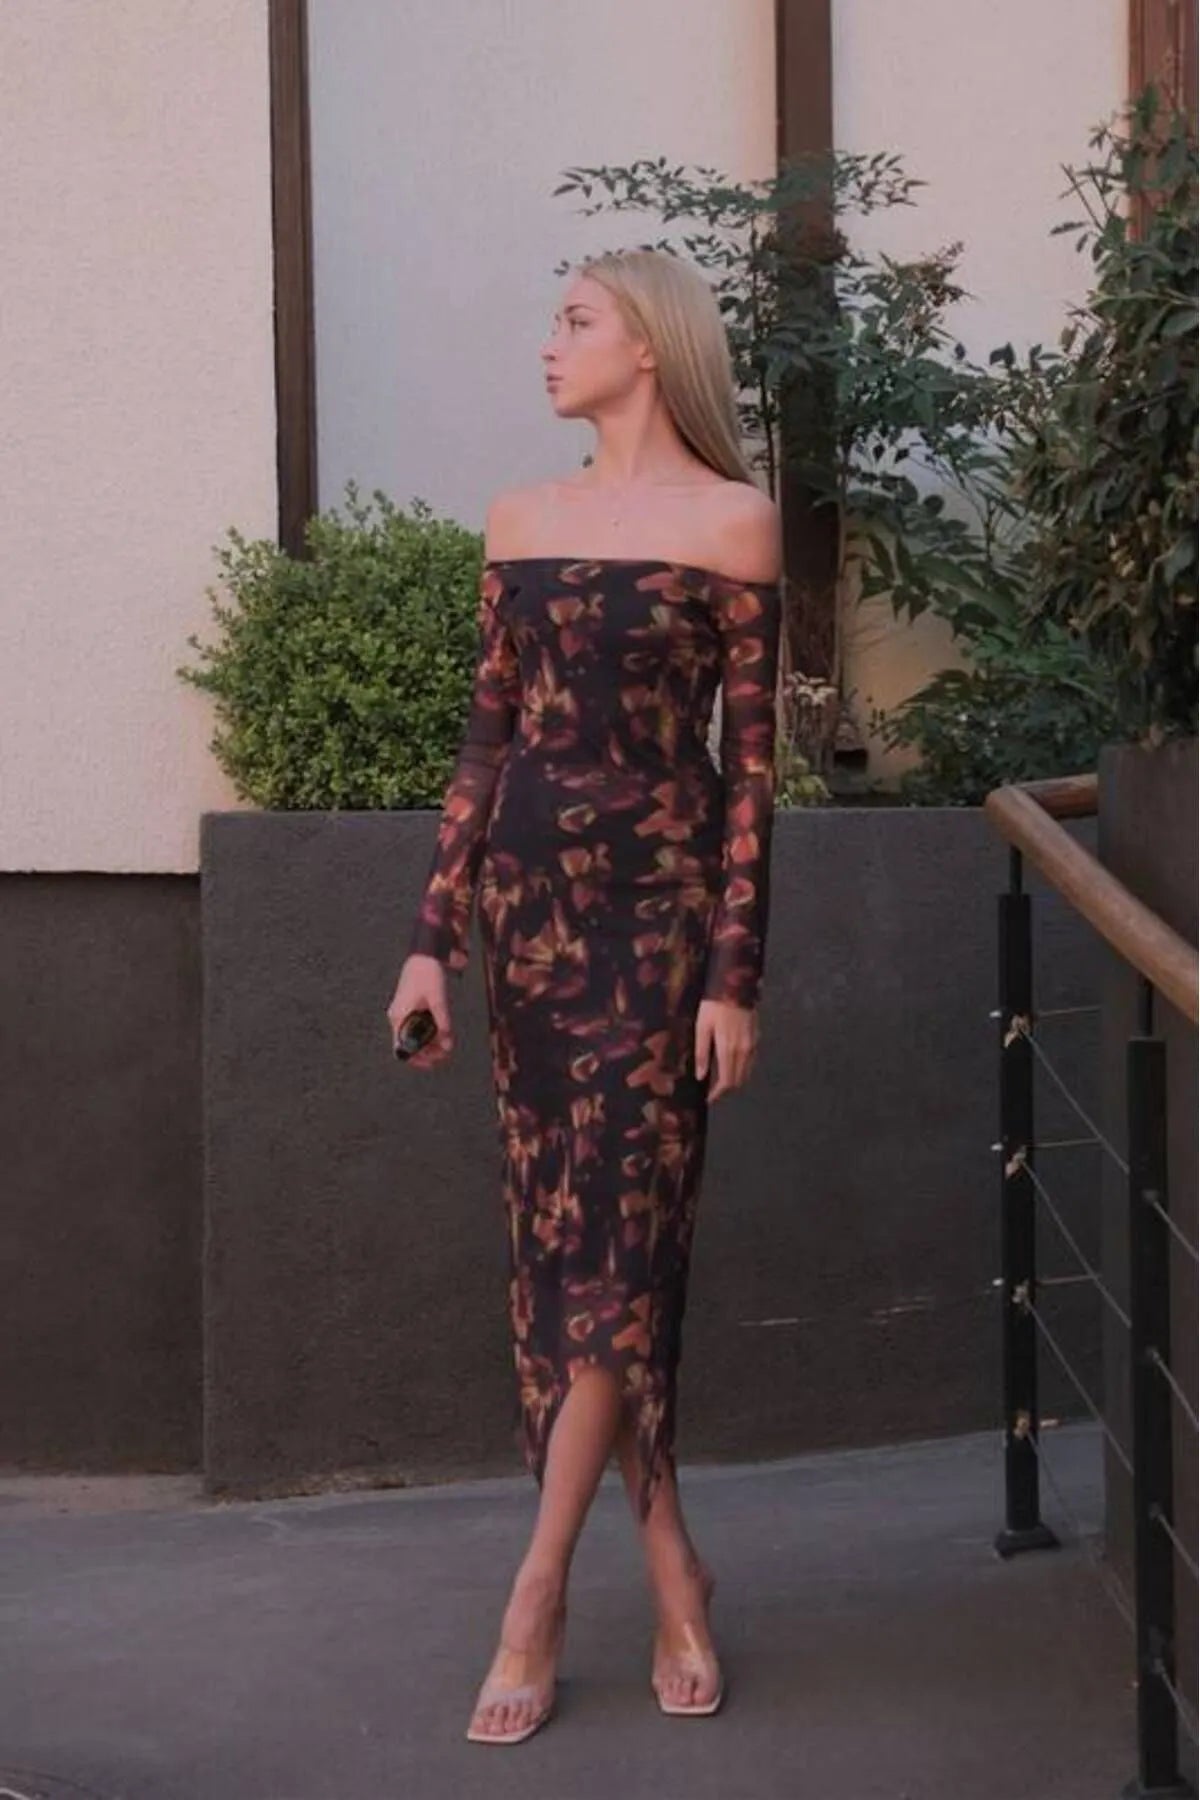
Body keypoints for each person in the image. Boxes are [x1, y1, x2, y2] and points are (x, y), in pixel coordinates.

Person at [386, 247, 782, 1744]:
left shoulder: (733, 522)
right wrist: (431, 940)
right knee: (566, 1255)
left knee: (622, 1242)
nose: (548, 345)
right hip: (529, 930)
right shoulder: (522, 520)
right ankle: (672, 1557)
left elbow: (752, 774)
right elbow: (485, 742)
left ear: (651, 346)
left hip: (662, 933)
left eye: (576, 320)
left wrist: (736, 974)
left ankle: (538, 1588)